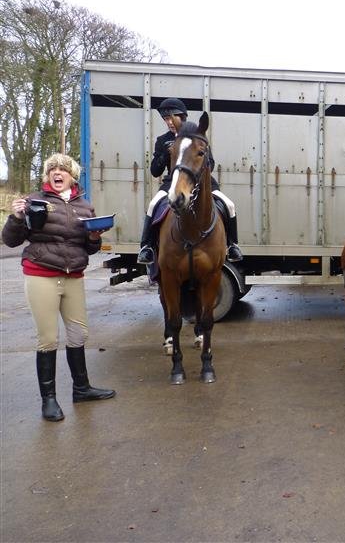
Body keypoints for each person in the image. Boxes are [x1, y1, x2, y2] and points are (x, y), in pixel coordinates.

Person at [2, 153, 116, 421]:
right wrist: (16, 218)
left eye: (63, 169)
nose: (57, 172)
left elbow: (90, 248)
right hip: (41, 273)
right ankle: (49, 400)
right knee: (49, 338)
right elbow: (10, 240)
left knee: (78, 334)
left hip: (73, 275)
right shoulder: (34, 202)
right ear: (47, 175)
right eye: (52, 168)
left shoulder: (85, 207)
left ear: (72, 176)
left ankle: (81, 389)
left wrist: (94, 237)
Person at [137, 98, 243, 265]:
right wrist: (165, 154)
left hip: (202, 182)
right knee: (152, 205)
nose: (170, 122)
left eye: (173, 118)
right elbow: (155, 171)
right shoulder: (163, 140)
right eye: (166, 119)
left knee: (229, 205)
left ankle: (232, 245)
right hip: (173, 182)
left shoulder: (197, 136)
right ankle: (147, 247)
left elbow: (211, 163)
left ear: (183, 117)